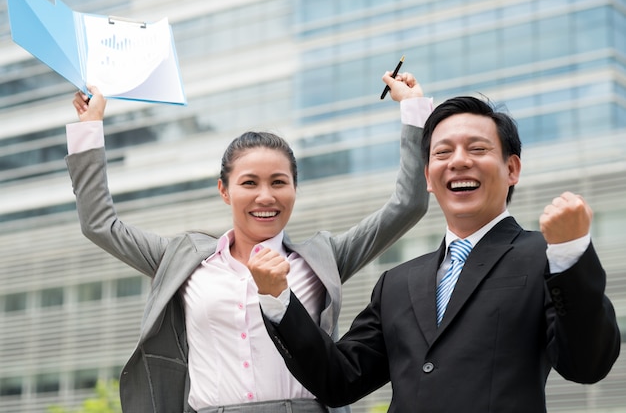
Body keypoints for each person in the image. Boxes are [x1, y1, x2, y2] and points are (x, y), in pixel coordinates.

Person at [65, 71, 431, 413]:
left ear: (294, 189)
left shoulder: (323, 258)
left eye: (278, 182)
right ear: (224, 190)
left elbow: (406, 206)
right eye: (249, 183)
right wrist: (90, 127)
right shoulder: (181, 261)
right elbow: (100, 224)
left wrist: (414, 110)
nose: (265, 196)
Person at [250, 95, 622, 413]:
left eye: (477, 149)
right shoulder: (396, 282)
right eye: (443, 153)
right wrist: (279, 299)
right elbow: (339, 378)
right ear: (428, 177)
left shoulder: (546, 256)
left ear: (512, 169)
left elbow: (587, 365)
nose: (458, 161)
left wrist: (571, 254)